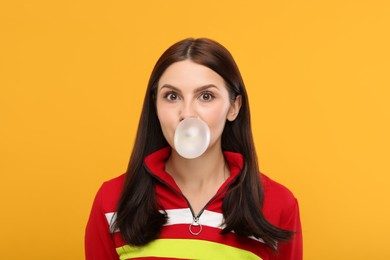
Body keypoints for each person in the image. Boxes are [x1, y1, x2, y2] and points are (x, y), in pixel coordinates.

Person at [85, 38, 302, 259]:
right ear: (155, 106)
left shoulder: (278, 204)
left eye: (206, 96)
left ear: (233, 107)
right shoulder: (112, 201)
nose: (187, 113)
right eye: (172, 96)